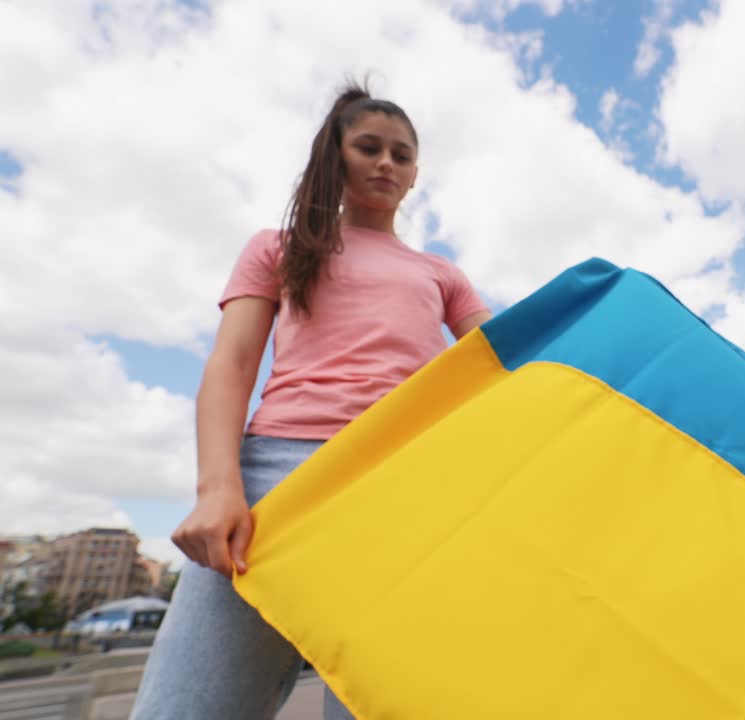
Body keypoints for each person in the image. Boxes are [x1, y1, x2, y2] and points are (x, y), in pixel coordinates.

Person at [130, 82, 492, 719]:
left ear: (414, 175)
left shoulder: (442, 274)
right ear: (335, 156)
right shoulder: (277, 246)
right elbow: (232, 364)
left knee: (382, 707)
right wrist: (218, 488)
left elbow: (505, 360)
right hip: (278, 482)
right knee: (186, 707)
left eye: (402, 155)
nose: (387, 163)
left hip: (407, 481)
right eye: (369, 147)